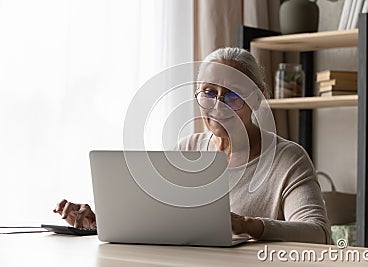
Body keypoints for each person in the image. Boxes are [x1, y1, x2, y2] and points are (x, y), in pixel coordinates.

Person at [54, 47, 331, 244]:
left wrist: (246, 225)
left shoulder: (287, 159)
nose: (218, 105)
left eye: (232, 95)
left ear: (257, 100)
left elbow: (317, 232)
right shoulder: (187, 149)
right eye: (209, 92)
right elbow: (152, 220)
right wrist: (99, 223)